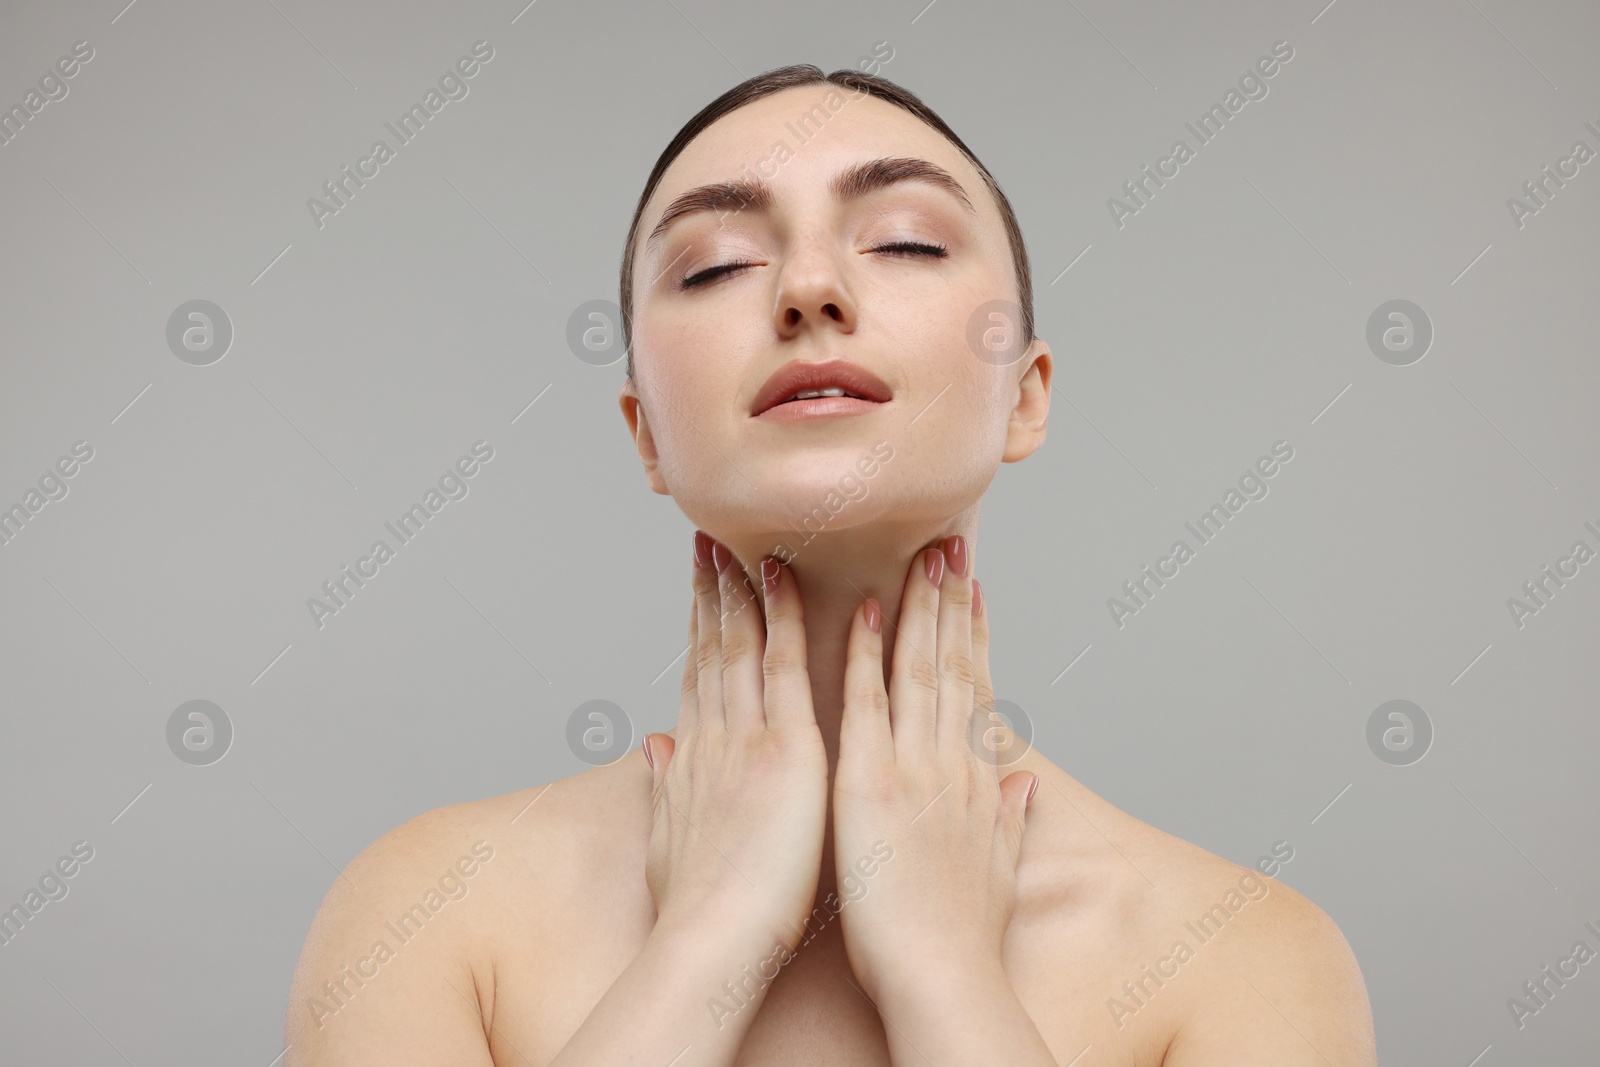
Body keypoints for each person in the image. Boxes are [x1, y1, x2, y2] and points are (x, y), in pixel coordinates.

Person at [285, 63, 1377, 1065]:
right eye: (714, 263)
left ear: (1027, 391)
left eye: (904, 241)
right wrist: (712, 934)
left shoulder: (1243, 955)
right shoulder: (426, 913)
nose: (809, 289)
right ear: (645, 434)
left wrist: (942, 968)